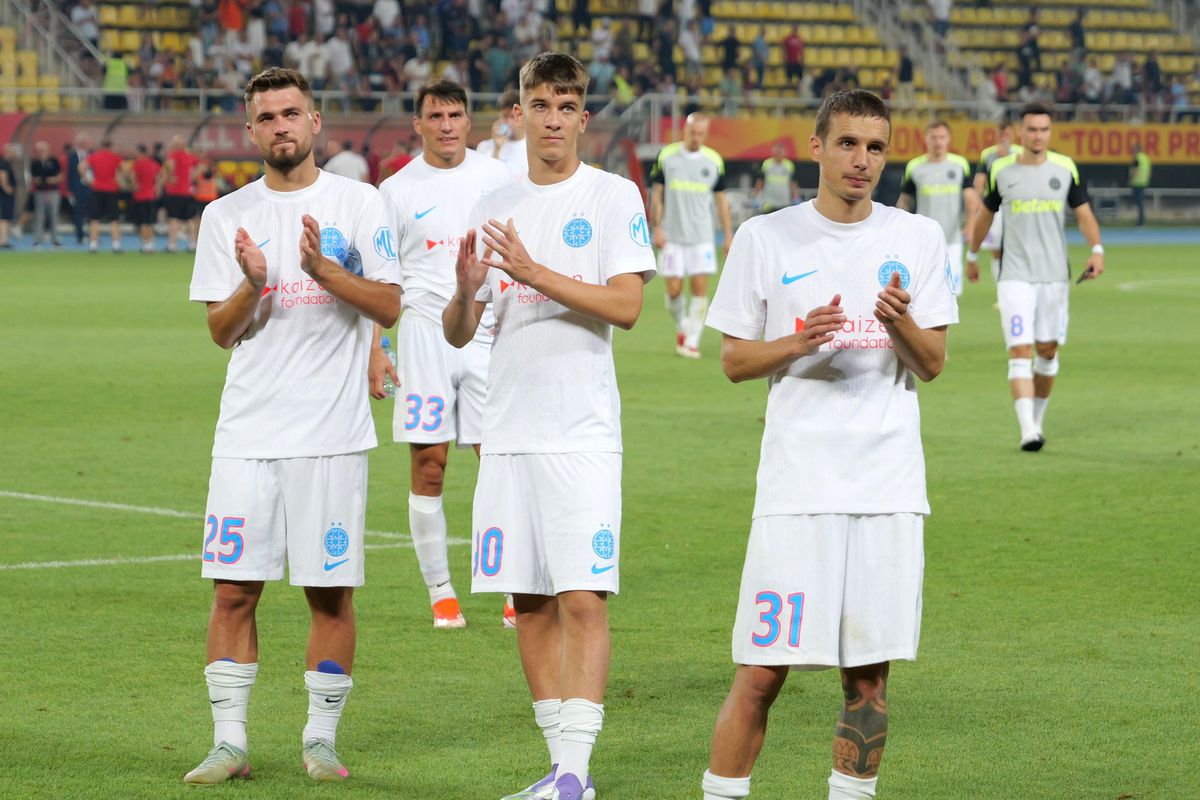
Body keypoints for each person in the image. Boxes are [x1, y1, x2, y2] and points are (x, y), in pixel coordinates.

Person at [700, 88, 957, 800]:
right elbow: (733, 361)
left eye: (875, 147)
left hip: (887, 488)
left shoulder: (917, 239)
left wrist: (899, 322)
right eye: (847, 143)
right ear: (816, 146)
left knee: (870, 678)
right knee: (760, 672)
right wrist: (799, 340)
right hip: (798, 486)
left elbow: (931, 363)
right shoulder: (766, 237)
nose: (862, 160)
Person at [442, 51, 655, 800]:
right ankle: (563, 771)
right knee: (526, 602)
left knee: (582, 598)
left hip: (582, 433)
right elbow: (461, 332)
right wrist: (468, 294)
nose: (554, 119)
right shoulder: (490, 205)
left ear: (583, 118)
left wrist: (534, 273)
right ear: (521, 113)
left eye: (567, 107)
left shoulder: (611, 197)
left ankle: (574, 771)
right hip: (508, 429)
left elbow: (627, 307)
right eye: (542, 105)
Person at [183, 66, 400, 785]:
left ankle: (321, 741)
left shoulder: (361, 204)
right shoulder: (226, 217)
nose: (280, 126)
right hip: (246, 436)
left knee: (329, 594)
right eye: (266, 117)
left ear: (315, 122)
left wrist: (323, 269)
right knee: (232, 590)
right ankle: (229, 742)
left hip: (333, 437)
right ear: (252, 131)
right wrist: (253, 282)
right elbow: (220, 332)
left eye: (291, 113)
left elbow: (390, 305)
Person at [373, 78, 511, 629]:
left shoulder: (497, 178)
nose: (447, 125)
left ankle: (508, 587)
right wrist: (376, 348)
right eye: (436, 116)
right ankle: (441, 593)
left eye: (456, 114)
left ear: (468, 121)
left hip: (488, 335)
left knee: (497, 462)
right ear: (419, 123)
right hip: (425, 336)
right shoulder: (396, 189)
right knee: (429, 466)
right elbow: (380, 277)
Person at [968, 103, 1105, 452]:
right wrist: (972, 253)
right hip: (1014, 275)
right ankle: (1027, 429)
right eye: (1031, 129)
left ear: (1050, 132)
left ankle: (1037, 419)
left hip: (1055, 277)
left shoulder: (1065, 168)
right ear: (1019, 132)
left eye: (1044, 129)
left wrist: (1097, 249)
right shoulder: (1001, 170)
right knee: (1020, 350)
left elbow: (1084, 213)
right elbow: (984, 216)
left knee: (1047, 351)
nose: (1038, 136)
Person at [649, 112, 733, 359]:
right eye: (692, 132)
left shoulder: (713, 161)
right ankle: (683, 326)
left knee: (699, 289)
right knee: (673, 291)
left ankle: (692, 341)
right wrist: (658, 226)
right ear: (684, 130)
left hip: (702, 236)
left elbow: (721, 201)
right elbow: (657, 194)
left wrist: (728, 234)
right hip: (673, 236)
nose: (696, 137)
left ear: (705, 134)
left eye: (700, 133)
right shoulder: (667, 156)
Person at [896, 120, 977, 296]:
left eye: (942, 137)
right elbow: (904, 200)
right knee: (923, 290)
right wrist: (900, 226)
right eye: (933, 137)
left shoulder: (960, 164)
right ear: (926, 139)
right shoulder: (914, 166)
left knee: (951, 292)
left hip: (952, 239)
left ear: (949, 139)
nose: (938, 142)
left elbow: (970, 197)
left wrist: (970, 225)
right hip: (923, 239)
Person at [970, 117, 1022, 282]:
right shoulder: (988, 154)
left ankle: (1015, 281)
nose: (1004, 137)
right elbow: (980, 178)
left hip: (1015, 206)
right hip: (995, 208)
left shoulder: (1020, 153)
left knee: (1015, 247)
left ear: (1013, 134)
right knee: (996, 249)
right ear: (997, 135)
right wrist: (978, 200)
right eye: (1001, 134)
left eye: (1007, 133)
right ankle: (1001, 286)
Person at [82, 138, 124, 253]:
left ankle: (93, 245)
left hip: (97, 188)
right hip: (112, 189)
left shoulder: (94, 156)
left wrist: (88, 180)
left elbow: (81, 167)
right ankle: (116, 245)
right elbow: (125, 170)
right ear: (111, 146)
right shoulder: (115, 157)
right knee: (114, 219)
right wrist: (118, 179)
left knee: (94, 219)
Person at [477, 88, 528, 179]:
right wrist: (496, 149)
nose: (508, 122)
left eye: (512, 117)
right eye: (505, 116)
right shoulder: (484, 147)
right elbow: (484, 182)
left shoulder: (533, 149)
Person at [164, 135, 199, 252]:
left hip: (175, 191)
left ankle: (172, 245)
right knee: (189, 219)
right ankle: (192, 244)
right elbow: (196, 169)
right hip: (186, 191)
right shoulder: (189, 156)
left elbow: (169, 166)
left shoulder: (173, 154)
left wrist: (170, 177)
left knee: (173, 218)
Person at [129, 143, 162, 253]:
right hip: (151, 195)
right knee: (150, 221)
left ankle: (145, 244)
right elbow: (160, 175)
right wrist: (157, 187)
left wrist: (134, 186)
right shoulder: (153, 163)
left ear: (139, 152)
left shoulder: (137, 164)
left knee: (143, 222)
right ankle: (151, 244)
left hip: (140, 196)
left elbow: (132, 176)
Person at [30, 141, 64, 249]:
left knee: (53, 215)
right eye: (39, 150)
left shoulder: (54, 160)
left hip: (53, 191)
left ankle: (54, 239)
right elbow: (33, 178)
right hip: (40, 192)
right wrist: (41, 181)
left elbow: (60, 175)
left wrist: (51, 180)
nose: (41, 152)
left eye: (43, 150)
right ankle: (38, 239)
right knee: (39, 215)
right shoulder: (35, 162)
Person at [753, 140, 798, 214]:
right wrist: (756, 197)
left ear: (784, 153)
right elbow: (760, 181)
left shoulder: (789, 165)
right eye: (777, 152)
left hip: (784, 201)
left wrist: (796, 197)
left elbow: (793, 182)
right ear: (773, 152)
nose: (779, 154)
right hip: (769, 202)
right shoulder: (766, 164)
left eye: (780, 152)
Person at [1129, 143, 1151, 227]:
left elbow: (1135, 170)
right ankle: (1141, 221)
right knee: (1141, 203)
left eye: (1134, 149)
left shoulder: (1137, 159)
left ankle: (1140, 222)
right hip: (1143, 182)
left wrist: (1130, 180)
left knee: (1139, 203)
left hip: (1137, 183)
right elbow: (1149, 171)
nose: (1133, 151)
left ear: (1137, 150)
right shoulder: (1146, 158)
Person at [0, 144, 15, 248]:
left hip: (4, 194)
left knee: (5, 217)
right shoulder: (4, 163)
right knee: (4, 217)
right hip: (4, 195)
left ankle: (4, 239)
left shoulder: (6, 163)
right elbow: (2, 174)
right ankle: (3, 240)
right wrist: (6, 188)